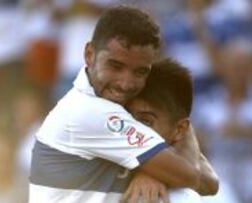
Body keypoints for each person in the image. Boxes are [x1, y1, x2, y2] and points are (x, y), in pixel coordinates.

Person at [29, 5, 217, 203]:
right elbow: (191, 176)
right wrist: (158, 166)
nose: (126, 84)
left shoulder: (113, 106)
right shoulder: (92, 113)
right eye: (115, 66)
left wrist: (151, 168)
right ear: (89, 54)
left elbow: (210, 183)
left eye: (140, 72)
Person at [125, 58, 219, 202]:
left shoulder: (182, 198)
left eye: (145, 122)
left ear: (180, 130)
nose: (133, 130)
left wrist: (157, 171)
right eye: (126, 118)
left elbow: (210, 182)